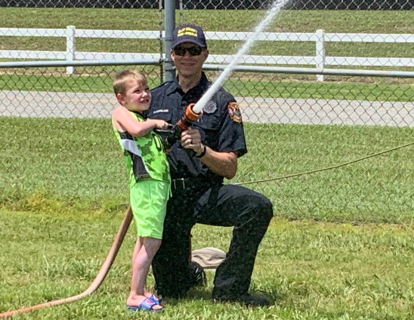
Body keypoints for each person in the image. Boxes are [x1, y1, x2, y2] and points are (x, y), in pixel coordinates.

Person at [147, 24, 274, 307]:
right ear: (172, 55)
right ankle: (190, 272)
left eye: (194, 50)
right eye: (181, 50)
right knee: (173, 289)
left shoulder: (222, 101)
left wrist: (202, 150)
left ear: (205, 54)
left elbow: (229, 168)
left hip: (206, 193)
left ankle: (230, 289)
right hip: (167, 198)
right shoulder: (154, 99)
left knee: (257, 207)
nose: (187, 56)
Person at [112, 70, 171, 312]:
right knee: (152, 242)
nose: (145, 94)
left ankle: (139, 289)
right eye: (137, 91)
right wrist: (156, 123)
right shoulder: (122, 113)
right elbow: (136, 132)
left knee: (144, 240)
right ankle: (135, 296)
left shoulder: (138, 117)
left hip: (156, 186)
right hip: (147, 186)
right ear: (121, 98)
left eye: (146, 89)